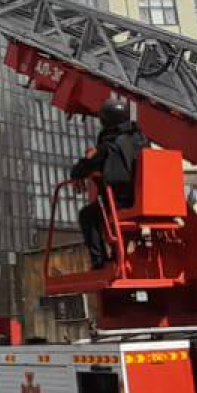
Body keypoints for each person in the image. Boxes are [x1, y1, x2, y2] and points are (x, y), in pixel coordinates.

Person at [71, 97, 149, 269]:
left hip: (121, 202)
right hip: (145, 201)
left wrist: (76, 172)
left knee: (88, 215)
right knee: (106, 214)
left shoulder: (110, 144)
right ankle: (117, 255)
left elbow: (86, 166)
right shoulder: (142, 141)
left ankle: (99, 262)